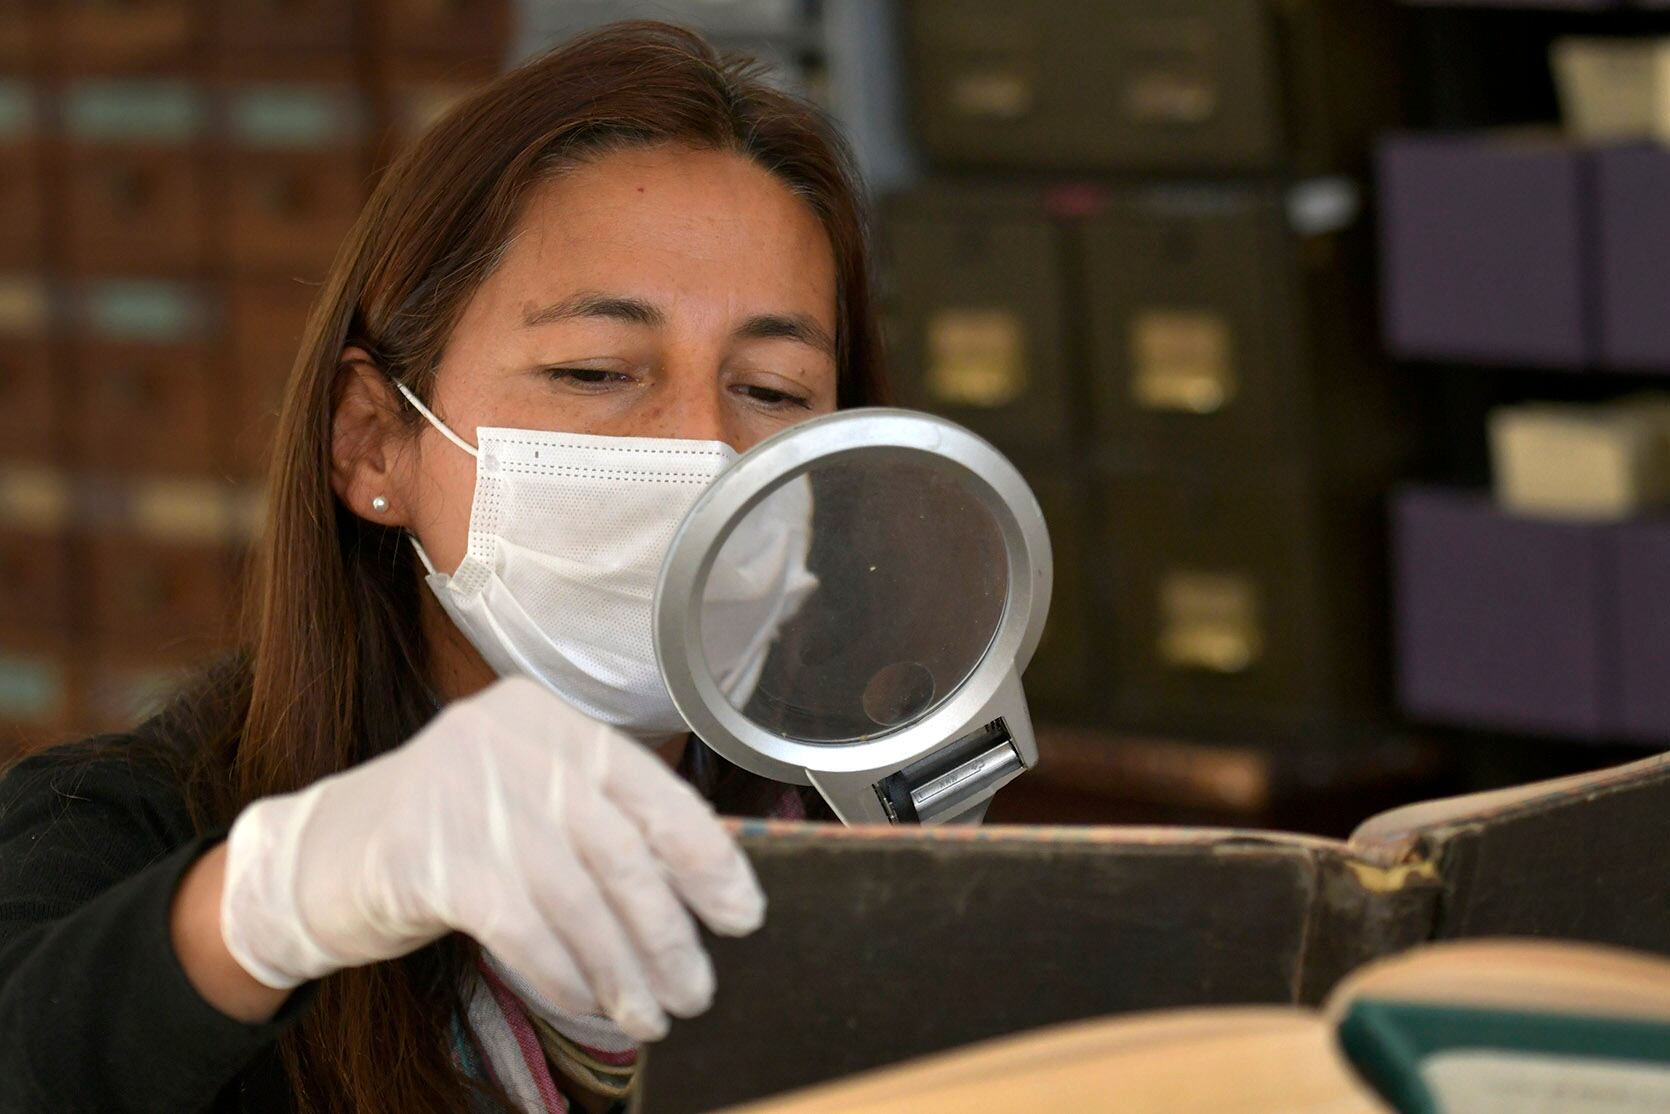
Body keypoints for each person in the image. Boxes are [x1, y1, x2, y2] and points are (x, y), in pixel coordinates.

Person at [0, 23, 886, 1114]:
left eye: (773, 389)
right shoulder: (126, 827)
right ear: (374, 440)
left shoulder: (868, 827)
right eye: (596, 369)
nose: (699, 452)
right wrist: (276, 903)